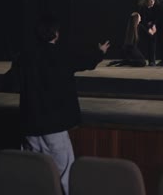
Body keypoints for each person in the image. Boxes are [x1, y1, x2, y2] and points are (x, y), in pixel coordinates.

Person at [19, 16, 110, 195]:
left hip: (30, 126)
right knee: (64, 177)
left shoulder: (26, 57)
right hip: (54, 127)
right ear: (56, 34)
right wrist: (100, 52)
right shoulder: (60, 55)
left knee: (34, 175)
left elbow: (9, 82)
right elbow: (86, 63)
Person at [138, 0, 160, 66]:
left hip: (151, 26)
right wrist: (148, 29)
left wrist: (153, 25)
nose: (152, 2)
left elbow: (156, 18)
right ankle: (141, 59)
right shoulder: (143, 8)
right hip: (143, 26)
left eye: (153, 1)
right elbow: (143, 20)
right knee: (149, 38)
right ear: (147, 1)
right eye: (151, 1)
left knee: (153, 39)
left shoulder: (155, 8)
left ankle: (152, 61)